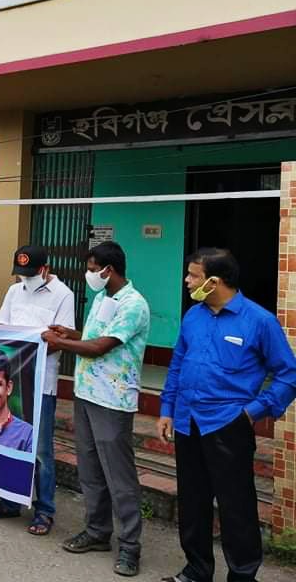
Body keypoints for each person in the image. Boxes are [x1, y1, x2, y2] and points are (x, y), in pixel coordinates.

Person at [158, 249, 296, 582]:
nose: (187, 281)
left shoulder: (259, 321)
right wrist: (166, 409)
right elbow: (178, 364)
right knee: (193, 502)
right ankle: (196, 570)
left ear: (214, 281)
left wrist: (252, 412)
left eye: (193, 275)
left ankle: (243, 575)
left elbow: (288, 374)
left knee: (237, 507)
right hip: (188, 421)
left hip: (228, 425)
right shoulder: (194, 316)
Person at [42, 241, 150, 578]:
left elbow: (101, 346)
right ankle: (97, 531)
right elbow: (92, 335)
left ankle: (130, 546)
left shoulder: (133, 304)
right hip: (87, 394)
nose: (89, 275)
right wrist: (70, 333)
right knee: (90, 470)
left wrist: (60, 343)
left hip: (113, 400)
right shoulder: (103, 298)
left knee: (119, 476)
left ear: (109, 270)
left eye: (92, 269)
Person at [0, 246, 75, 534]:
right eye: (22, 274)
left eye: (31, 274)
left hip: (41, 383)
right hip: (11, 382)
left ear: (45, 269)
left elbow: (60, 340)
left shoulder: (63, 294)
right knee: (9, 442)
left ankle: (44, 510)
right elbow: (1, 329)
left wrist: (27, 347)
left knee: (41, 450)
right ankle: (9, 501)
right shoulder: (14, 291)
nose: (26, 279)